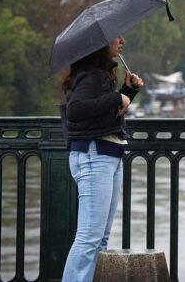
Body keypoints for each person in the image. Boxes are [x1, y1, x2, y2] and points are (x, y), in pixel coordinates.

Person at [61, 35, 144, 282]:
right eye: (116, 37)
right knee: (89, 238)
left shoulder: (101, 75)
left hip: (107, 155)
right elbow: (75, 111)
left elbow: (104, 115)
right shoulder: (91, 75)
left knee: (100, 238)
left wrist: (128, 91)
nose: (123, 40)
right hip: (93, 155)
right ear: (100, 43)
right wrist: (117, 97)